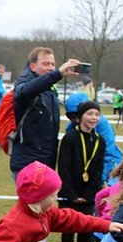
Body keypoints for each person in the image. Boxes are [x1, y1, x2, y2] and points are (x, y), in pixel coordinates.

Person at [10, 47, 81, 175]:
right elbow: (28, 91)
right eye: (46, 64)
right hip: (28, 163)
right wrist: (57, 74)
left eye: (53, 64)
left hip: (46, 162)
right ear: (32, 66)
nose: (50, 68)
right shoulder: (23, 86)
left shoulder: (50, 90)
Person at [57, 99, 106, 242]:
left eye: (96, 114)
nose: (93, 118)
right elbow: (63, 168)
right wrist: (71, 194)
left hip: (88, 196)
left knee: (86, 230)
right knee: (68, 229)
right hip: (69, 195)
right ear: (80, 117)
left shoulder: (100, 141)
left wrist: (89, 194)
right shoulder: (69, 138)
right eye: (89, 114)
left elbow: (98, 170)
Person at [65, 91, 123, 184]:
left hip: (110, 164)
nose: (76, 120)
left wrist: (99, 180)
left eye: (77, 115)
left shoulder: (102, 124)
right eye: (72, 117)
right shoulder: (70, 129)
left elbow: (108, 151)